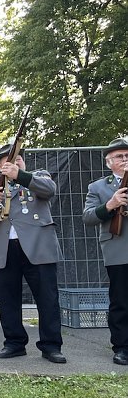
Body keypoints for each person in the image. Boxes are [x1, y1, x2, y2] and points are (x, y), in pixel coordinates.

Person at [0, 142, 66, 364]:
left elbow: (49, 190)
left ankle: (51, 346)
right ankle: (14, 343)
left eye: (17, 160)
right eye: (6, 163)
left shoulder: (37, 177)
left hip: (38, 247)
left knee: (47, 299)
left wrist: (20, 175)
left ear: (22, 161)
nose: (12, 164)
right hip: (5, 249)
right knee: (8, 299)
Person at [82, 136, 128, 365]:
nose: (125, 159)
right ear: (109, 162)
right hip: (118, 248)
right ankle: (122, 347)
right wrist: (110, 204)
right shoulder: (98, 187)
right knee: (120, 299)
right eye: (120, 156)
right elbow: (88, 217)